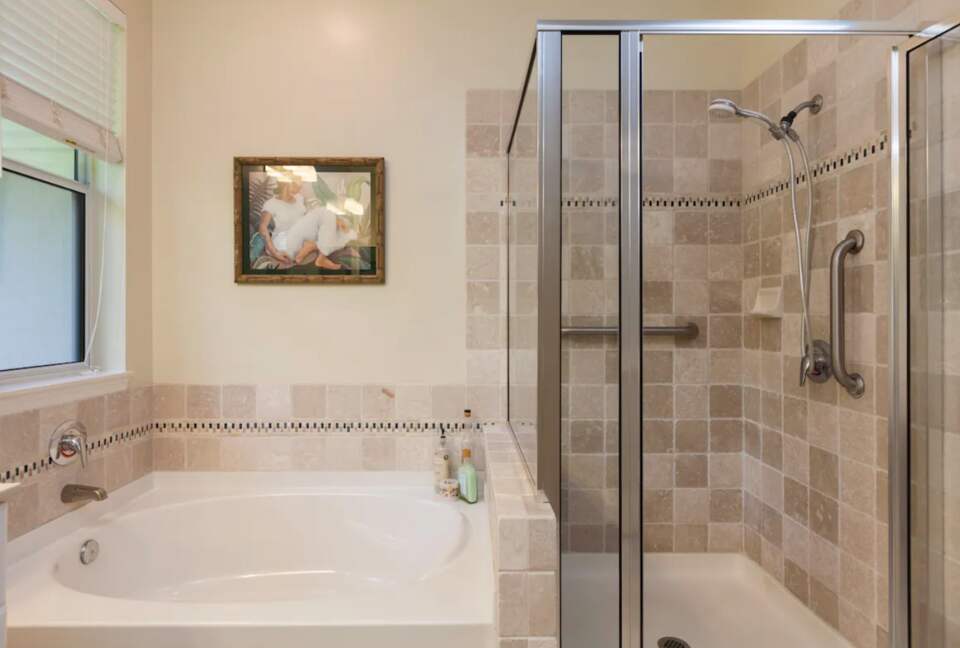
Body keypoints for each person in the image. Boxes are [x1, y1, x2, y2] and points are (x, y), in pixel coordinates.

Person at [258, 179, 306, 268]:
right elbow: (262, 228)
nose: (298, 189)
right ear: (285, 182)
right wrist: (274, 252)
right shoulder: (271, 203)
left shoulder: (300, 198)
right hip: (282, 239)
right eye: (295, 185)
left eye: (300, 186)